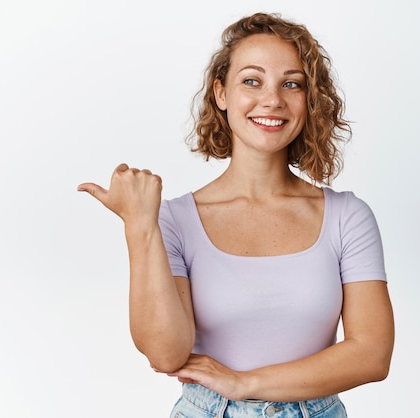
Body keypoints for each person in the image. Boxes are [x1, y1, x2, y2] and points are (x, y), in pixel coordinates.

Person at [77, 12, 394, 418]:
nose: (273, 99)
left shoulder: (348, 217)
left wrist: (246, 383)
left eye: (291, 83)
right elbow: (165, 352)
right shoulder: (174, 220)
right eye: (251, 80)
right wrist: (140, 225)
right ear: (221, 93)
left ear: (308, 99)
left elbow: (372, 354)